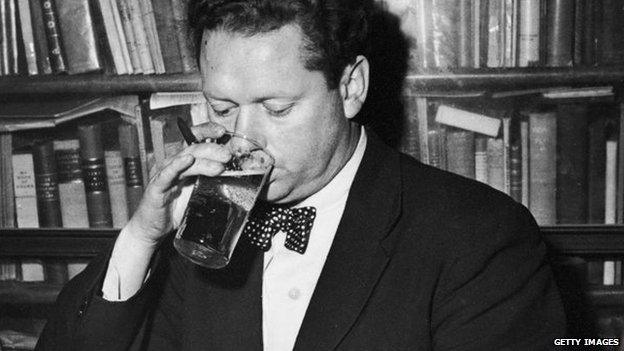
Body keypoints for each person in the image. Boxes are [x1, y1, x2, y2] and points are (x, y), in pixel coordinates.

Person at [35, 1, 566, 350]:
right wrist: (141, 238)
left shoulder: (481, 236)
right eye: (222, 108)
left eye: (278, 107)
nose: (243, 141)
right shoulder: (200, 226)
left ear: (351, 86)